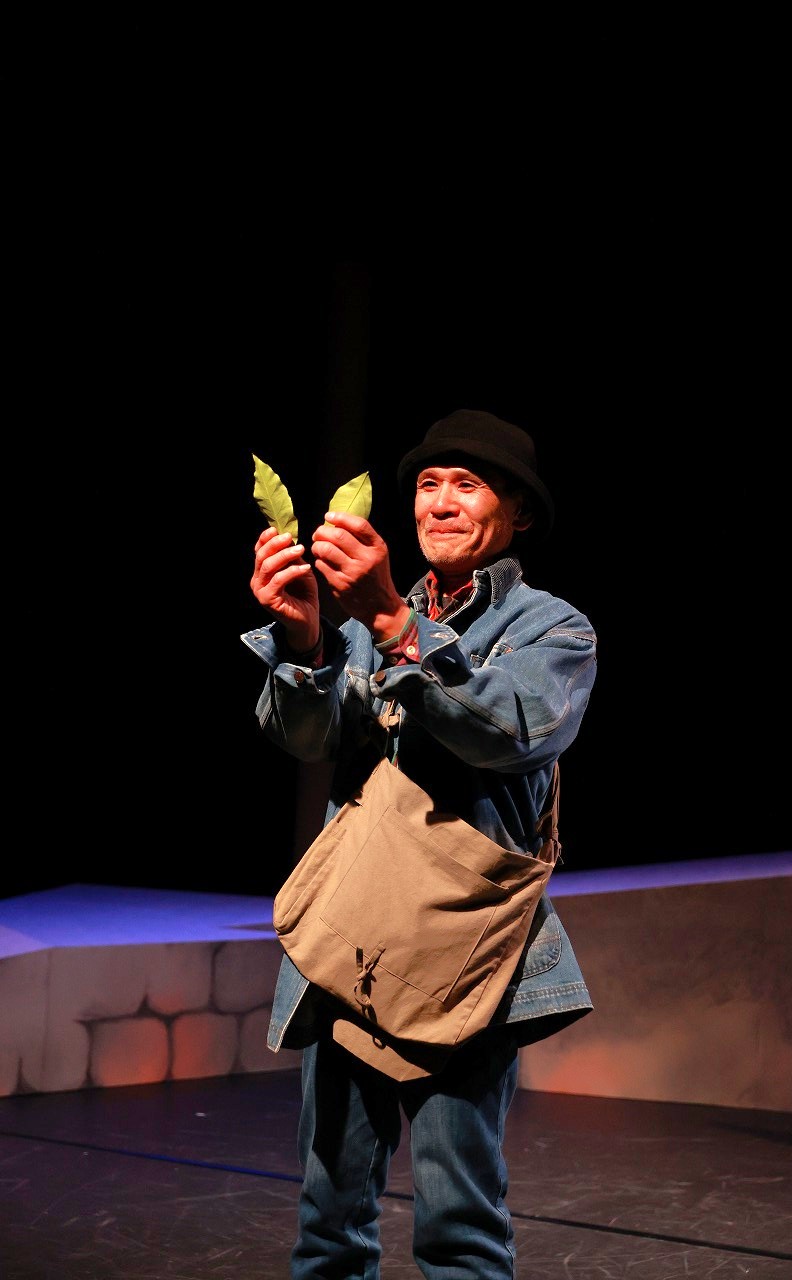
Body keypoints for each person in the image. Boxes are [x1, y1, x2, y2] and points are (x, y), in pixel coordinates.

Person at [242, 409, 597, 1279]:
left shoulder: (554, 629)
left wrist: (399, 627)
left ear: (516, 513)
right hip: (348, 942)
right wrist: (304, 638)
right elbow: (307, 736)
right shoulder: (359, 625)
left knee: (457, 1226)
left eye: (467, 485)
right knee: (327, 1224)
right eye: (427, 485)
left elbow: (508, 732)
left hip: (459, 953)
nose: (439, 503)